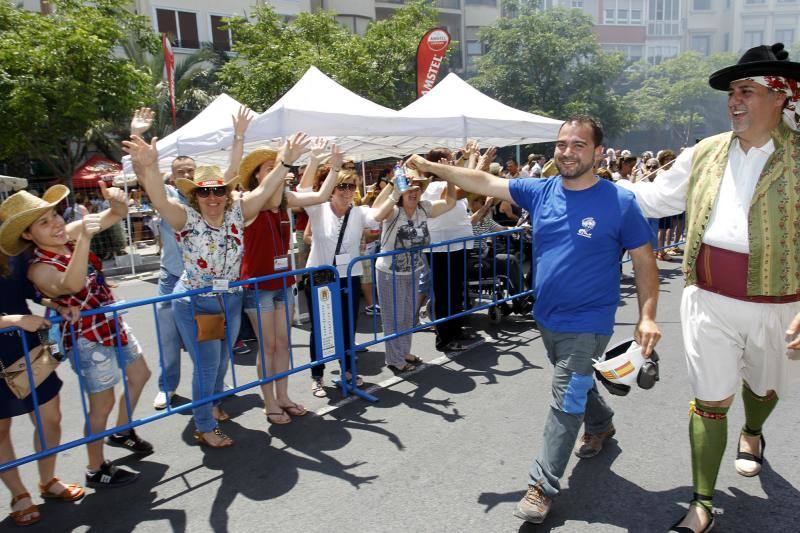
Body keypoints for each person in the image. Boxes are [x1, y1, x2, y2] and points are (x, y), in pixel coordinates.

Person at [407, 115, 661, 525]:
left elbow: (644, 260)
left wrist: (646, 316)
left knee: (566, 396)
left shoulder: (620, 202)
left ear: (597, 152)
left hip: (591, 320)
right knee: (576, 381)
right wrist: (434, 167)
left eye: (578, 145)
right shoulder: (540, 191)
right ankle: (601, 423)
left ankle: (541, 486)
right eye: (562, 144)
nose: (567, 151)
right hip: (546, 317)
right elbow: (483, 182)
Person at [617, 43, 800, 532]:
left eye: (747, 90)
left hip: (779, 303)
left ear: (780, 96)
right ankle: (701, 505)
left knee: (763, 387)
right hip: (707, 299)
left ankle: (755, 430)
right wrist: (591, 182)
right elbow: (654, 198)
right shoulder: (704, 152)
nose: (734, 100)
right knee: (709, 398)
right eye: (732, 92)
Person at [123, 132, 309, 448]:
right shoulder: (185, 217)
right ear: (195, 195)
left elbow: (265, 189)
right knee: (208, 367)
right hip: (199, 304)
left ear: (226, 192)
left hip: (231, 301)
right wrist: (150, 167)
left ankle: (210, 405)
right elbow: (157, 195)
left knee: (222, 364)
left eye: (218, 191)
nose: (212, 198)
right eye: (205, 192)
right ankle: (205, 426)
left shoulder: (239, 212)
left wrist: (286, 161)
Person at [3, 183, 153, 488]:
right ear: (28, 235)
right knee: (102, 404)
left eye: (54, 215)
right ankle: (95, 467)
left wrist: (117, 201)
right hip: (86, 339)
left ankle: (122, 431)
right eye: (43, 222)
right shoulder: (38, 267)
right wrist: (84, 237)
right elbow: (71, 284)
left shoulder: (67, 233)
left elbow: (113, 215)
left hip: (110, 322)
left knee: (140, 374)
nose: (56, 223)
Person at [129, 106, 253, 410]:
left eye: (190, 171)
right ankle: (169, 388)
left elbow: (231, 175)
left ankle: (210, 390)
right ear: (175, 178)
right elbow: (150, 183)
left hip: (221, 288)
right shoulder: (174, 203)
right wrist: (139, 139)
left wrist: (238, 135)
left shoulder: (213, 199)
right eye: (180, 172)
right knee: (170, 341)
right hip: (178, 280)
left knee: (217, 352)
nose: (186, 175)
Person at [238, 141, 340, 424]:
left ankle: (282, 396)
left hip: (283, 283)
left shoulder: (285, 201)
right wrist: (286, 163)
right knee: (268, 345)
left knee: (283, 343)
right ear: (259, 176)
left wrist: (332, 165)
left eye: (279, 168)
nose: (279, 173)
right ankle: (268, 401)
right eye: (271, 168)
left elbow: (321, 195)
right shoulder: (247, 204)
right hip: (258, 287)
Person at [0, 245, 84, 526]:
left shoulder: (9, 247)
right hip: (16, 334)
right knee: (0, 431)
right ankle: (18, 494)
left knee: (51, 419)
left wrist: (56, 304)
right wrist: (14, 320)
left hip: (27, 349)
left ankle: (47, 480)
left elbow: (32, 289)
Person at [299, 165, 387, 397]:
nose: (348, 191)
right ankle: (317, 376)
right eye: (343, 186)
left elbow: (378, 215)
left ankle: (348, 370)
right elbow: (303, 188)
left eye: (352, 186)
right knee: (320, 328)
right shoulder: (318, 209)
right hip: (319, 277)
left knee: (348, 326)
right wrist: (315, 159)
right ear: (330, 189)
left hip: (350, 275)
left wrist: (394, 191)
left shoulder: (359, 212)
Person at [371, 168, 455, 374]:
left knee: (408, 315)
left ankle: (404, 351)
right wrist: (394, 191)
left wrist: (451, 178)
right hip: (389, 272)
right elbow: (376, 215)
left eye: (418, 188)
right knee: (393, 317)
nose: (414, 191)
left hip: (413, 269)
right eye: (409, 187)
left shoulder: (423, 208)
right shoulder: (394, 210)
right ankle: (394, 358)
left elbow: (450, 203)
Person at [420, 147, 480, 352]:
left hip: (458, 244)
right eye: (450, 158)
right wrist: (472, 161)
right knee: (444, 292)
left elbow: (465, 182)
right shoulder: (434, 186)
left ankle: (455, 328)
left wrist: (472, 160)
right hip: (440, 247)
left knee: (456, 290)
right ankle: (443, 337)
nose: (454, 161)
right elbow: (466, 185)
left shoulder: (451, 182)